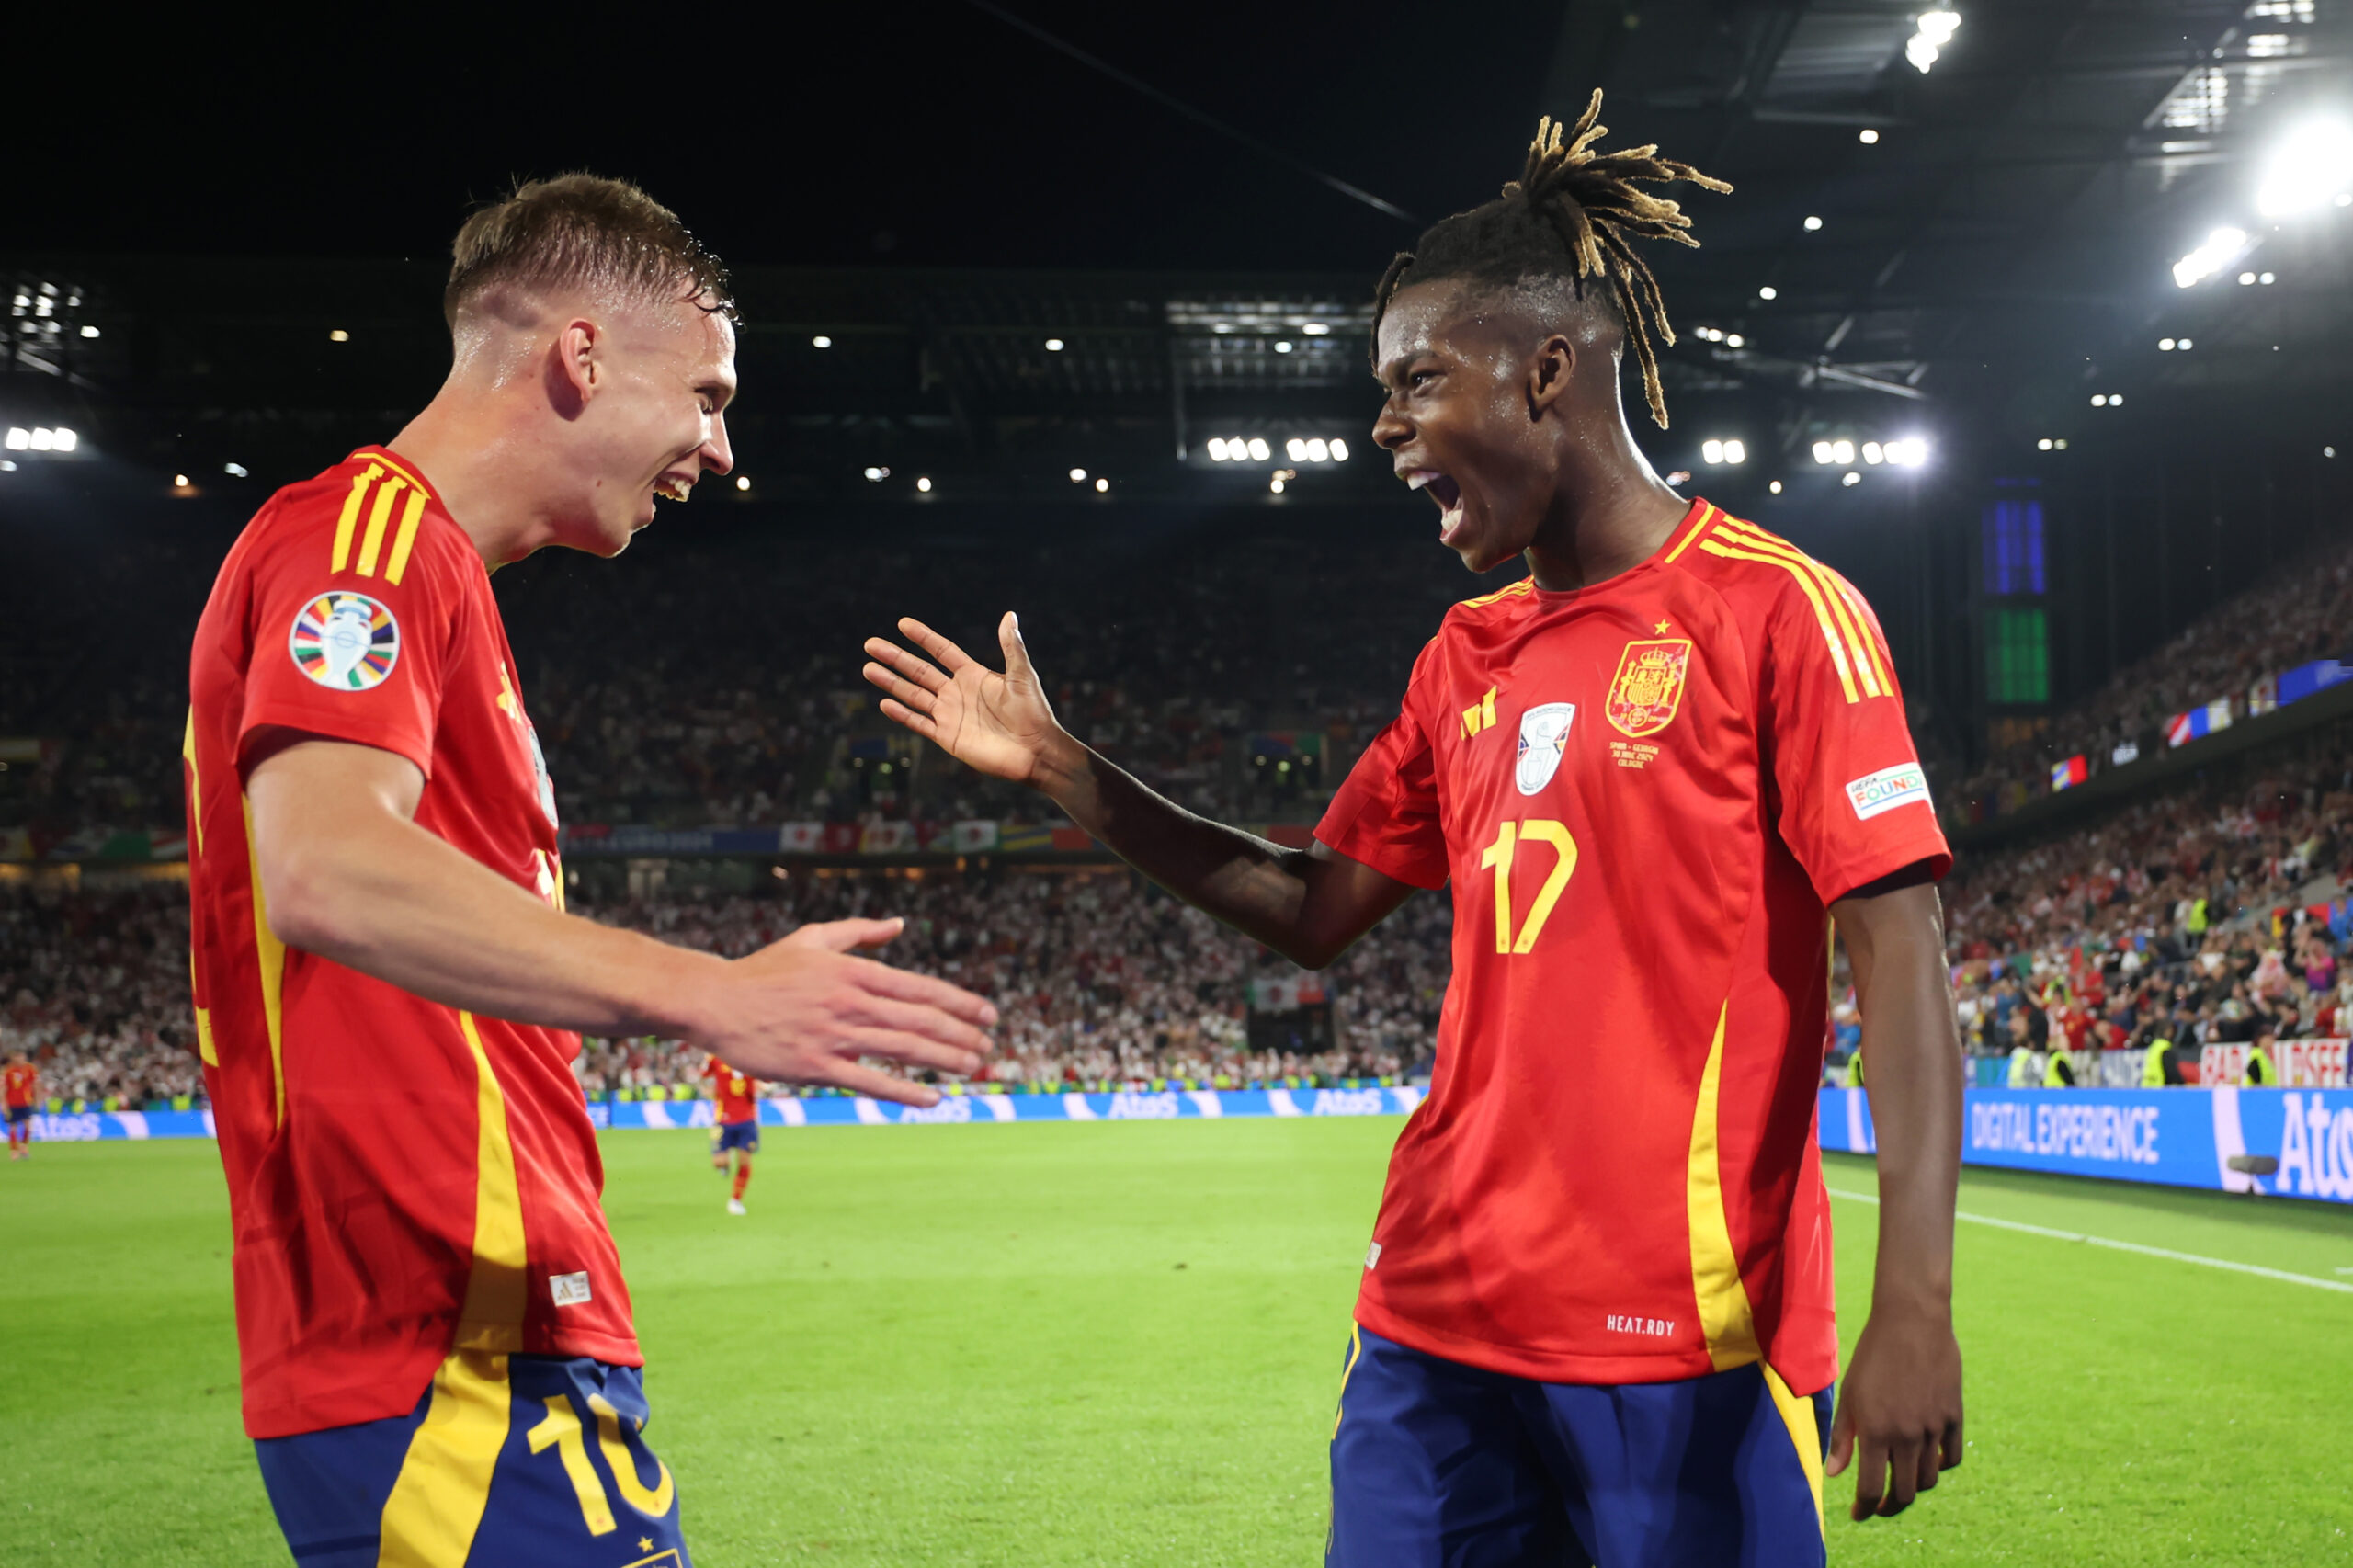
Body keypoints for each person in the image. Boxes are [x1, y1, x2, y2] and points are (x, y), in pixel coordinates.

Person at [864, 94, 1964, 1562]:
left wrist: (1917, 1301)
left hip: (1675, 1331)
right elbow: (1313, 904)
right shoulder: (1464, 658)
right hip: (1432, 1318)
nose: (1383, 427)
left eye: (1416, 382)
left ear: (1548, 372)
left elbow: (1901, 949)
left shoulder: (1777, 612)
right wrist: (1072, 771)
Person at [185, 176, 997, 1567]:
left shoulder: (444, 587)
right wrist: (709, 993)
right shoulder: (362, 543)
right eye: (708, 394)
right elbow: (322, 864)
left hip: (492, 1328)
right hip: (437, 1332)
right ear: (579, 356)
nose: (721, 447)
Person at [706, 1053, 760, 1215]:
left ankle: (735, 1200)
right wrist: (710, 1089)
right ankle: (725, 1164)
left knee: (744, 1161)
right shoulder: (715, 1059)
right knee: (719, 1162)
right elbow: (704, 1075)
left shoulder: (750, 1063)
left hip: (747, 1120)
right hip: (722, 1120)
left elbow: (754, 1089)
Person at [3, 1051, 37, 1160]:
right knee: (13, 1127)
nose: (20, 1059)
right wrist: (3, 1103)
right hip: (12, 1103)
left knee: (28, 1125)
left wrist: (36, 1099)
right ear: (13, 1058)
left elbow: (34, 1084)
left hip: (26, 1102)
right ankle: (14, 1151)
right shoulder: (8, 1071)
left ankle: (24, 1146)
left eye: (22, 1057)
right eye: (17, 1057)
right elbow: (4, 1088)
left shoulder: (30, 1069)